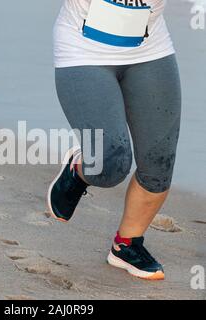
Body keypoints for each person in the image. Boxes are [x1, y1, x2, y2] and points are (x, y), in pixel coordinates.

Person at [47, 0, 182, 280]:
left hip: (150, 50)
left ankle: (126, 245)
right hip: (84, 51)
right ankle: (78, 169)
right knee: (110, 165)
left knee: (159, 165)